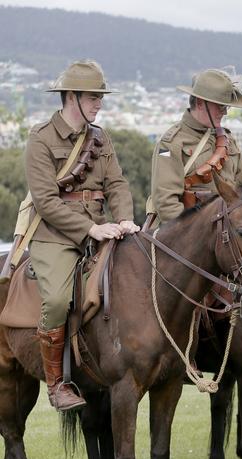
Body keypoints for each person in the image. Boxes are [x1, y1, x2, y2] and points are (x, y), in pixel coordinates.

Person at [26, 60, 139, 411]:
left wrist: (124, 219)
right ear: (71, 96)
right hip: (55, 236)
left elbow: (116, 183)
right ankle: (57, 384)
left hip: (101, 229)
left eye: (100, 97)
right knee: (58, 301)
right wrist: (90, 228)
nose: (99, 103)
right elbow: (45, 201)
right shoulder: (40, 138)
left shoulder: (100, 138)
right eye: (94, 96)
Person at [149, 68, 242, 225]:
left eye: (226, 107)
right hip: (188, 239)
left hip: (227, 234)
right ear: (200, 103)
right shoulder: (169, 145)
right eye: (220, 106)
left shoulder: (226, 139)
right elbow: (166, 203)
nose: (224, 112)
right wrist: (198, 237)